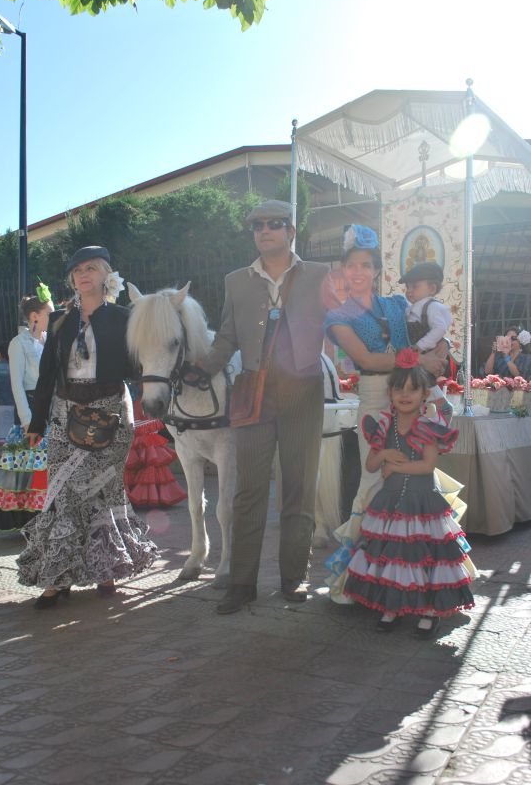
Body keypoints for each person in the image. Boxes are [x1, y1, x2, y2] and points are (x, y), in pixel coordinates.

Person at [193, 200, 329, 614]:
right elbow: (227, 338)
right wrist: (200, 369)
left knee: (298, 486)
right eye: (257, 226)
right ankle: (241, 583)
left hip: (303, 389)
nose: (264, 230)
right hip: (253, 391)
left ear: (291, 231)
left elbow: (343, 324)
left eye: (274, 224)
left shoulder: (319, 274)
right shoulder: (236, 281)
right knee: (248, 489)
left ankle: (294, 576)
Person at [17, 246, 157, 608]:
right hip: (65, 414)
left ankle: (105, 569)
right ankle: (57, 578)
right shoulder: (59, 320)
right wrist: (36, 421)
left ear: (106, 274)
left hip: (110, 414)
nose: (83, 275)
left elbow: (137, 367)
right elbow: (48, 374)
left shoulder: (123, 318)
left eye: (91, 268)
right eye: (78, 270)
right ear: (72, 278)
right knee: (61, 493)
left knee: (102, 491)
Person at [323, 225, 447, 602]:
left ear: (377, 270)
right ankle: (356, 579)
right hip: (376, 397)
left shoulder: (397, 304)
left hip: (413, 395)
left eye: (366, 265)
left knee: (417, 481)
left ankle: (420, 576)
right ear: (343, 270)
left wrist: (438, 355)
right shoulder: (337, 315)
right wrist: (418, 360)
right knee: (375, 479)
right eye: (351, 265)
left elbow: (437, 334)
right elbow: (367, 359)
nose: (358, 271)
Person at [341, 350, 475, 639]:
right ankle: (393, 605)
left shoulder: (428, 427)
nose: (405, 395)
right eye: (399, 388)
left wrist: (395, 468)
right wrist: (384, 455)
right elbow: (371, 464)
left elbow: (428, 465)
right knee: (395, 558)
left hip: (423, 503)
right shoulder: (384, 426)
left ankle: (429, 609)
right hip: (390, 504)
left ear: (424, 394)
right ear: (390, 393)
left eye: (413, 389)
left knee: (424, 557)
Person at [0, 290, 54, 533]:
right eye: (49, 313)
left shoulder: (49, 340)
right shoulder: (18, 344)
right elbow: (16, 385)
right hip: (31, 409)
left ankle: (51, 513)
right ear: (34, 316)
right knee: (32, 465)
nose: (53, 317)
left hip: (52, 408)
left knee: (50, 464)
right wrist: (28, 420)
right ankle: (32, 518)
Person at [399, 261, 454, 418]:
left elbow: (440, 328)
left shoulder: (432, 306)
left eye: (415, 287)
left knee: (422, 380)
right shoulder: (412, 307)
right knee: (419, 382)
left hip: (425, 352)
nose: (409, 291)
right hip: (417, 354)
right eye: (408, 287)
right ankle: (430, 409)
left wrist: (420, 346)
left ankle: (441, 405)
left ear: (432, 289)